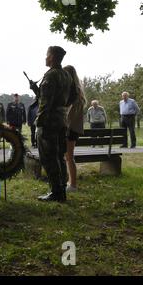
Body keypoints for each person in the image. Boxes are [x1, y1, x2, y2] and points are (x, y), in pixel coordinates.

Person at [33, 46, 75, 203]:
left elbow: (45, 103)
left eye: (47, 55)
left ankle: (56, 192)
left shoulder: (51, 75)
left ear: (52, 57)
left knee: (49, 157)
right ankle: (61, 189)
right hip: (61, 120)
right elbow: (73, 96)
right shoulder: (66, 75)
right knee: (59, 156)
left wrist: (40, 123)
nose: (45, 57)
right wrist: (61, 107)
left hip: (49, 122)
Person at [63, 65, 86, 193]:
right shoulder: (78, 91)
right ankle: (70, 182)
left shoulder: (73, 92)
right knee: (68, 156)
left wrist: (65, 128)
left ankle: (73, 185)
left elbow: (70, 115)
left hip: (70, 129)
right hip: (73, 128)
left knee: (69, 157)